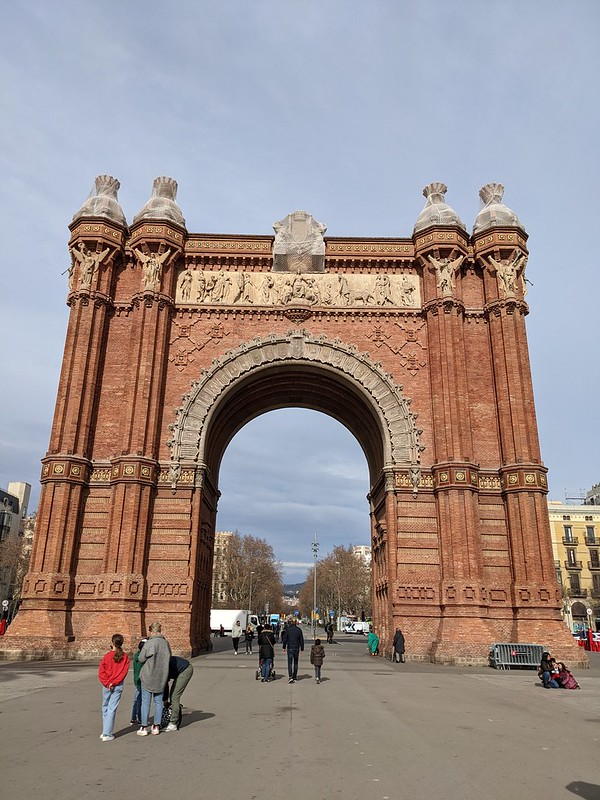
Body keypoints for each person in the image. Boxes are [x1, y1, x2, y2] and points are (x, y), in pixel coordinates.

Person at [138, 622, 172, 735]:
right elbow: (169, 658)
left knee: (145, 702)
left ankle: (144, 727)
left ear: (152, 631)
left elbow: (141, 658)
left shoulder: (149, 643)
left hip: (148, 675)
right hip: (161, 676)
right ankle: (156, 726)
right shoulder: (166, 644)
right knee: (158, 702)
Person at [98, 633, 130, 742]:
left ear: (112, 642)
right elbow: (123, 672)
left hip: (107, 685)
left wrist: (107, 683)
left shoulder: (107, 656)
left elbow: (101, 672)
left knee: (105, 707)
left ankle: (105, 731)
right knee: (112, 708)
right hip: (118, 684)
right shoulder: (125, 657)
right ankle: (107, 732)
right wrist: (115, 682)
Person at [163, 655, 194, 730]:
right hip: (182, 668)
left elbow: (165, 684)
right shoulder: (160, 660)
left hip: (185, 670)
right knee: (173, 695)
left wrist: (165, 700)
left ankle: (173, 723)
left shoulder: (162, 665)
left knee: (174, 696)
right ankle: (175, 711)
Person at [282, 618, 304, 683]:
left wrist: (284, 647)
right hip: (296, 648)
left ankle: (290, 676)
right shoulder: (299, 630)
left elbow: (285, 639)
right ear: (296, 622)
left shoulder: (288, 630)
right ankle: (295, 676)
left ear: (291, 622)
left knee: (289, 663)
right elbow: (301, 640)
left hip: (290, 648)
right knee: (296, 663)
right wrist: (302, 648)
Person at [130, 638, 147, 724]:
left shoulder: (137, 655)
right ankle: (139, 718)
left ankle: (133, 717)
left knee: (137, 698)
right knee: (139, 700)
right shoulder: (142, 658)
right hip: (140, 680)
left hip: (137, 680)